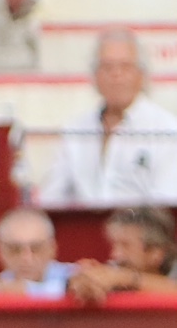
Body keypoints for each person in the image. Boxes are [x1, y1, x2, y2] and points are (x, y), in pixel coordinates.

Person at [39, 31, 177, 208]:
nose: (116, 75)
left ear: (141, 75)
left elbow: (166, 202)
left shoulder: (166, 129)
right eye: (107, 67)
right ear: (95, 76)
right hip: (84, 229)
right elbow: (52, 197)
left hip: (144, 232)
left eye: (125, 67)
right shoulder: (75, 129)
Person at [67, 206, 177, 304]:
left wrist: (126, 278)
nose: (115, 254)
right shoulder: (114, 272)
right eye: (114, 245)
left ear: (156, 253)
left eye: (126, 245)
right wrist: (85, 282)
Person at [0, 206, 73, 297]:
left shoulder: (74, 278)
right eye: (14, 249)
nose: (26, 258)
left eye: (36, 248)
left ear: (52, 249)